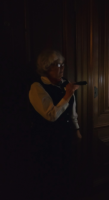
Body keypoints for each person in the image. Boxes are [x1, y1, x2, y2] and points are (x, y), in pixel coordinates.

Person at [29, 49, 81, 199]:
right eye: (58, 65)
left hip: (65, 135)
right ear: (46, 67)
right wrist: (68, 94)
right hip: (46, 139)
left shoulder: (65, 84)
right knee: (50, 173)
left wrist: (76, 129)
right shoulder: (37, 87)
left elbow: (72, 109)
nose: (62, 68)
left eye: (63, 64)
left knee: (67, 170)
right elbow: (51, 115)